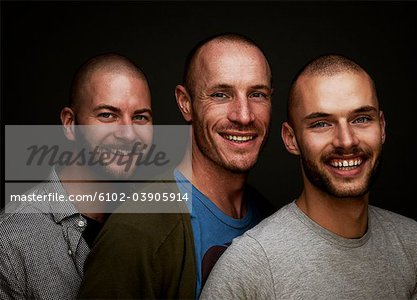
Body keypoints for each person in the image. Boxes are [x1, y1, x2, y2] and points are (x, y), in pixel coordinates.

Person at [201, 54, 417, 299]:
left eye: (361, 119)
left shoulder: (413, 243)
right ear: (291, 139)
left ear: (382, 128)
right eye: (321, 124)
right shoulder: (250, 264)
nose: (346, 141)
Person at [77, 33, 275, 299]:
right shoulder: (137, 231)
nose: (243, 115)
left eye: (257, 94)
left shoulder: (270, 218)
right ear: (185, 103)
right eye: (220, 94)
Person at [0, 53, 153, 299]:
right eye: (107, 115)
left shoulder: (155, 221)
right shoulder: (10, 240)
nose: (128, 134)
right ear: (70, 124)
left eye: (140, 117)